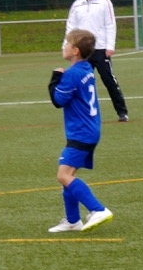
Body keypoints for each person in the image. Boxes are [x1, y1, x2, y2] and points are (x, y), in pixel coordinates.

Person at [47, 28, 113, 232]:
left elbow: (58, 100)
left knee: (63, 175)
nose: (64, 46)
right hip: (89, 129)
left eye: (67, 43)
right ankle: (73, 221)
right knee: (69, 174)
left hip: (81, 132)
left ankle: (98, 209)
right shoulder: (86, 68)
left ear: (75, 50)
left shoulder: (73, 74)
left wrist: (55, 79)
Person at [64, 0, 129, 122]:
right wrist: (67, 46)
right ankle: (82, 113)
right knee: (80, 82)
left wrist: (110, 46)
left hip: (100, 49)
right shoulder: (77, 4)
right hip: (82, 51)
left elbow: (110, 25)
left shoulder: (105, 2)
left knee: (109, 80)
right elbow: (71, 27)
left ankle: (122, 112)